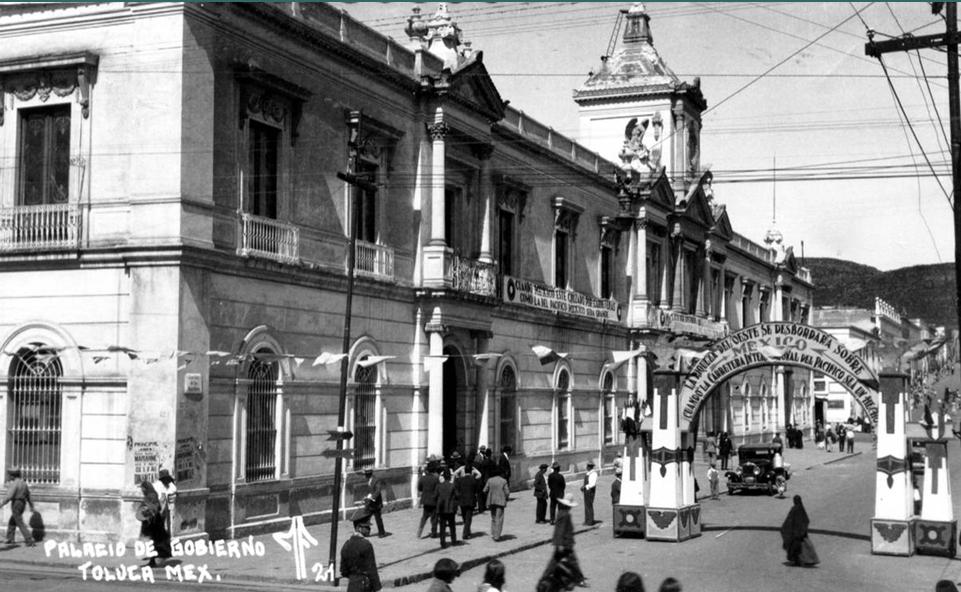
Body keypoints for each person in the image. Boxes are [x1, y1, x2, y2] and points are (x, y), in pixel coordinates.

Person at [340, 507, 382, 592]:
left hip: (352, 586)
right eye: (366, 527)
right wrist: (378, 588)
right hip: (365, 586)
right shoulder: (366, 545)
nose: (369, 530)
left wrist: (353, 577)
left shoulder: (346, 545)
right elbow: (372, 569)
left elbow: (343, 570)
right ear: (359, 528)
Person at [551, 493, 587, 587]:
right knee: (573, 561)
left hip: (560, 543)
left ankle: (551, 577)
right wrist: (561, 545)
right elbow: (561, 530)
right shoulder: (565, 515)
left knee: (555, 562)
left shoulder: (560, 513)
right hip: (565, 543)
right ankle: (579, 579)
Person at [136, 481, 169, 566]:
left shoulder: (152, 496)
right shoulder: (150, 495)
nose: (142, 490)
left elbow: (156, 507)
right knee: (153, 542)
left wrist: (148, 512)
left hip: (153, 523)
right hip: (150, 522)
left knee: (153, 541)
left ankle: (153, 561)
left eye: (143, 488)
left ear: (146, 488)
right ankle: (152, 561)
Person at [780, 494, 819, 566]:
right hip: (801, 533)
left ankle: (803, 561)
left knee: (797, 548)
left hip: (795, 534)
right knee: (804, 547)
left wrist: (786, 528)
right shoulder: (801, 509)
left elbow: (789, 521)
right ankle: (806, 560)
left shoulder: (794, 509)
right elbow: (806, 520)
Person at [2, 467, 34, 546]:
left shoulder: (14, 484)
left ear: (13, 476)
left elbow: (9, 496)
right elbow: (29, 495)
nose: (9, 477)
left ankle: (29, 539)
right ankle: (10, 538)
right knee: (13, 520)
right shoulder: (23, 483)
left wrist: (2, 503)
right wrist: (31, 505)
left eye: (10, 475)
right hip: (22, 503)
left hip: (16, 503)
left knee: (19, 521)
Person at [454, 460, 480, 539]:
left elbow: (455, 474)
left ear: (464, 471)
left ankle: (467, 530)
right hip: (471, 500)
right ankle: (466, 532)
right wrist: (474, 469)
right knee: (468, 518)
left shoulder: (460, 480)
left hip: (462, 500)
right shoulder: (474, 480)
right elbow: (479, 475)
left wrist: (460, 469)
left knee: (465, 517)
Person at [484, 467, 510, 541]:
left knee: (493, 518)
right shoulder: (503, 481)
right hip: (500, 501)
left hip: (491, 501)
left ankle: (493, 532)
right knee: (499, 518)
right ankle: (497, 536)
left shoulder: (490, 480)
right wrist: (506, 497)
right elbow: (507, 492)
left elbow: (485, 490)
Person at [436, 469, 458, 548]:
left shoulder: (439, 486)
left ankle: (442, 542)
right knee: (452, 525)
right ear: (449, 477)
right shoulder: (452, 485)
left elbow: (435, 496)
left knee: (442, 526)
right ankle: (454, 540)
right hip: (450, 508)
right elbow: (457, 495)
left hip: (442, 508)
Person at [417, 461, 439, 539]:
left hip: (425, 500)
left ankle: (419, 533)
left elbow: (419, 488)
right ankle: (434, 532)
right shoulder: (436, 479)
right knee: (434, 518)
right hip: (434, 500)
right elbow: (438, 489)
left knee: (424, 517)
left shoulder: (423, 478)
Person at [362, 468, 388, 537]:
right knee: (366, 518)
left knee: (378, 518)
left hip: (376, 504)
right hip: (369, 503)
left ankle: (382, 533)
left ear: (369, 475)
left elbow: (378, 491)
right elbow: (368, 491)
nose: (365, 476)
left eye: (366, 475)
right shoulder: (368, 481)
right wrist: (365, 498)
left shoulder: (376, 480)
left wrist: (372, 497)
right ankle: (366, 532)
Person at [581, 461, 597, 526]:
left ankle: (590, 521)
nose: (586, 468)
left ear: (590, 467)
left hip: (590, 491)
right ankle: (587, 520)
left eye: (587, 466)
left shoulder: (593, 474)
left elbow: (592, 484)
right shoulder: (588, 473)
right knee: (586, 506)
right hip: (586, 490)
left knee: (589, 506)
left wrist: (585, 486)